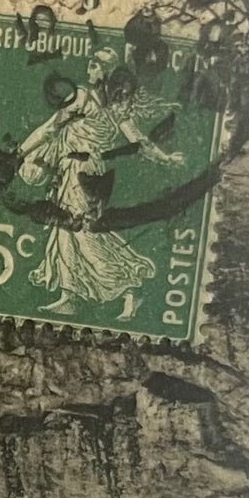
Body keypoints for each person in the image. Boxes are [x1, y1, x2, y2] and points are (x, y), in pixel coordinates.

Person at [16, 45, 185, 322]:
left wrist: (19, 152)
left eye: (94, 65)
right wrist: (165, 158)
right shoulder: (116, 107)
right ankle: (71, 296)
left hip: (80, 173)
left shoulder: (82, 98)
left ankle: (129, 288)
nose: (89, 69)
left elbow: (50, 128)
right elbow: (139, 142)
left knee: (83, 233)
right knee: (67, 232)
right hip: (84, 172)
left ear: (105, 72)